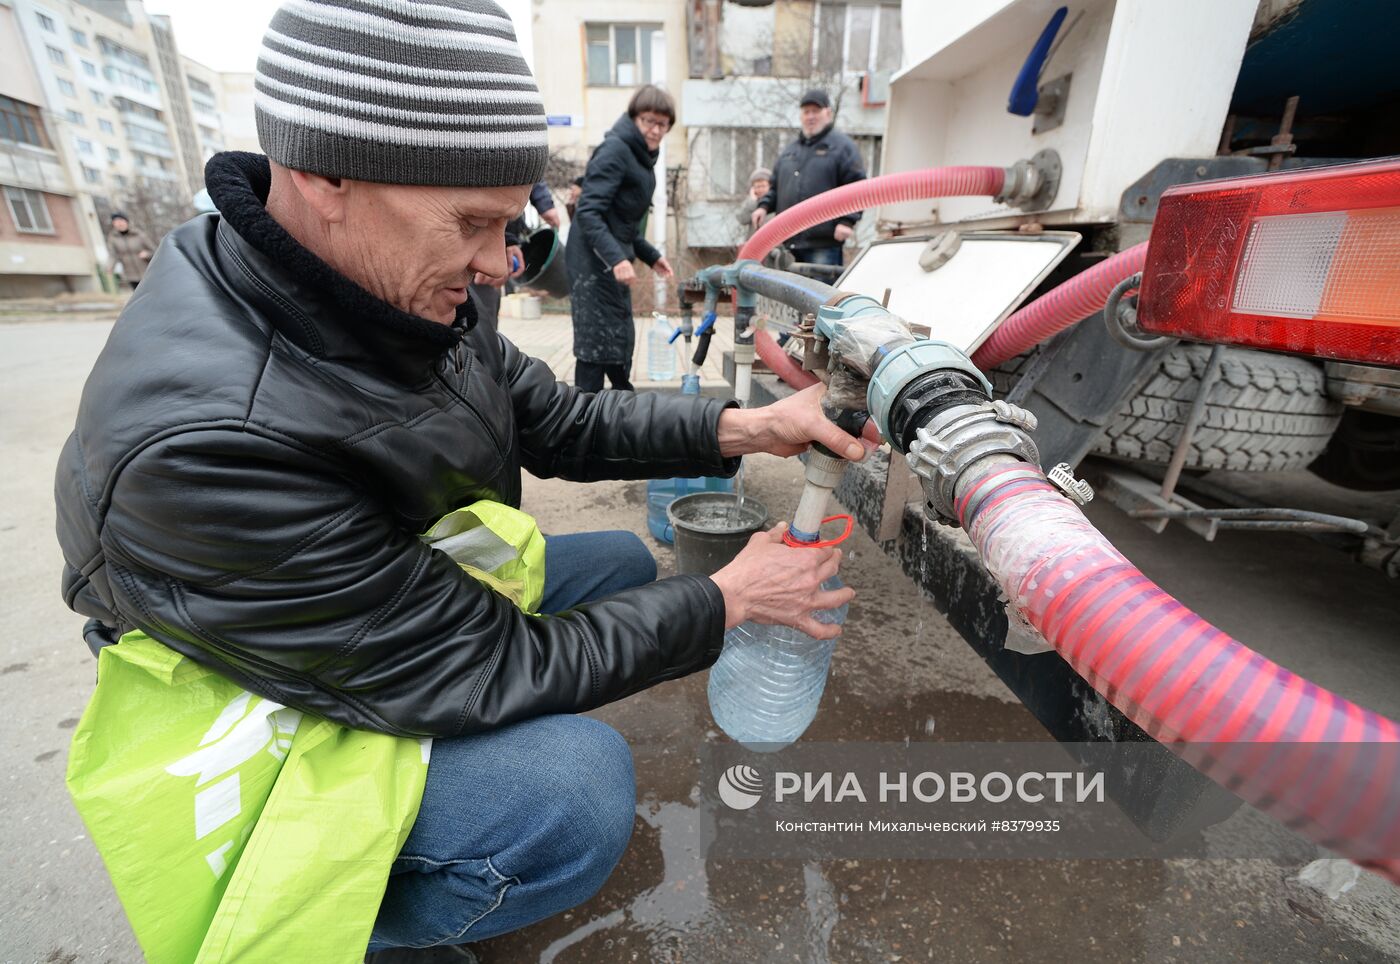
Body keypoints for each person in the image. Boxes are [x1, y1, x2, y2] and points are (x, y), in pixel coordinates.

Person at [54, 0, 864, 956]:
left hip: (372, 593)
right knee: (574, 791)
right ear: (323, 174)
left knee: (616, 562)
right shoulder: (206, 445)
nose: (500, 265)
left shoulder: (403, 280)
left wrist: (751, 425)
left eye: (509, 219)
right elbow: (491, 664)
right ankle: (381, 931)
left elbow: (556, 420)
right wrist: (729, 600)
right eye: (473, 223)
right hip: (260, 687)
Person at [566, 85, 676, 392]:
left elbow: (624, 225)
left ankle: (618, 406)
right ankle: (583, 417)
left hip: (609, 256)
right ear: (635, 118)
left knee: (617, 337)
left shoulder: (642, 159)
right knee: (594, 343)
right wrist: (616, 259)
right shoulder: (616, 150)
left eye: (662, 124)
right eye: (648, 121)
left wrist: (651, 256)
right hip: (591, 258)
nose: (655, 130)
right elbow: (588, 212)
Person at [751, 89, 867, 267]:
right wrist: (764, 206)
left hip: (824, 244)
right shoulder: (790, 151)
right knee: (788, 294)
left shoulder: (842, 147)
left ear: (827, 113)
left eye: (816, 111)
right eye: (806, 112)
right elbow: (775, 188)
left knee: (821, 293)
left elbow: (858, 187)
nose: (810, 116)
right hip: (788, 243)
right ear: (801, 116)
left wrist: (847, 221)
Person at [103, 212, 156, 291]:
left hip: (147, 272)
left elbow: (155, 250)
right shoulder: (113, 238)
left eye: (121, 220)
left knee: (154, 293)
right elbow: (113, 255)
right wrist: (109, 267)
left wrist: (147, 254)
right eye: (115, 221)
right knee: (140, 297)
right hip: (131, 275)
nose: (119, 223)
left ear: (126, 221)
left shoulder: (139, 234)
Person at [737, 167, 772, 239]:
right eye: (757, 186)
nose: (760, 189)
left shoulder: (774, 202)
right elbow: (742, 220)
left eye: (763, 186)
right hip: (754, 245)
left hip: (772, 245)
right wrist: (752, 201)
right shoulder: (750, 203)